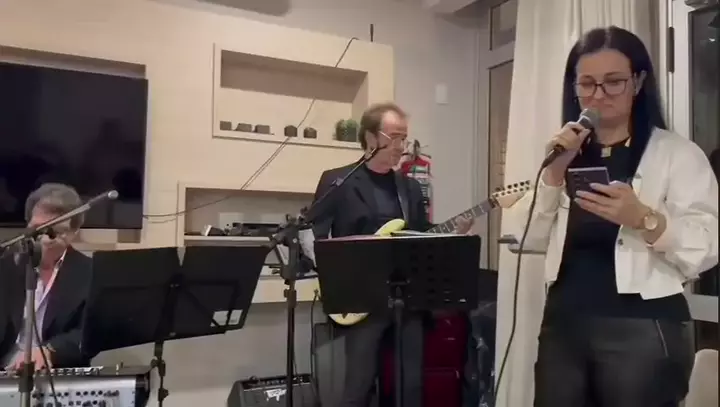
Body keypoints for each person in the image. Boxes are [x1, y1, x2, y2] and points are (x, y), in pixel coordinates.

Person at [508, 26, 719, 407]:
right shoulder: (565, 152)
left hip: (644, 326)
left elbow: (706, 247)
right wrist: (553, 174)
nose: (598, 95)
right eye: (587, 84)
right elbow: (525, 239)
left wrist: (644, 218)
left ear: (638, 82)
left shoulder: (676, 154)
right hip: (564, 324)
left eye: (613, 82)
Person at [312, 102, 473, 407]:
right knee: (357, 388)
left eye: (404, 138)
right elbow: (314, 237)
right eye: (395, 137)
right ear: (371, 137)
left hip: (406, 298)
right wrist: (335, 279)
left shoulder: (408, 187)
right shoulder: (338, 181)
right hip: (361, 301)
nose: (401, 146)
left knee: (410, 387)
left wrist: (454, 231)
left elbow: (420, 234)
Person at [0, 183, 95, 370]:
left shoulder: (90, 272)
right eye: (38, 229)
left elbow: (89, 332)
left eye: (56, 232)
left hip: (57, 370)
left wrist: (50, 351)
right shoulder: (5, 266)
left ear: (74, 233)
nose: (45, 239)